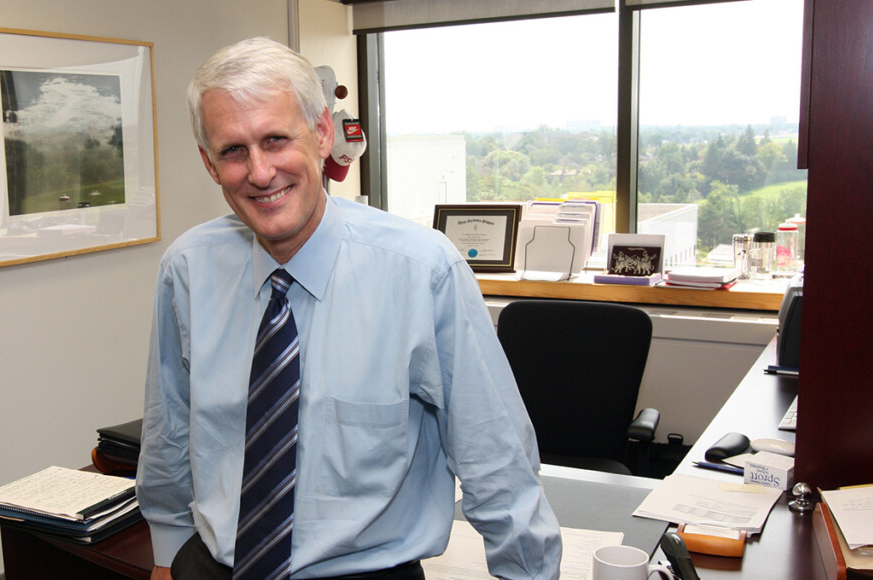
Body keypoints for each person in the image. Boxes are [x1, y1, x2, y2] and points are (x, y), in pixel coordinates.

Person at [136, 37, 561, 580]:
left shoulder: (422, 271)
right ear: (210, 164)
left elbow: (495, 457)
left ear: (320, 134)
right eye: (233, 150)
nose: (260, 172)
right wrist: (167, 554)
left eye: (275, 139)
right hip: (213, 567)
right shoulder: (188, 269)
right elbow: (169, 428)